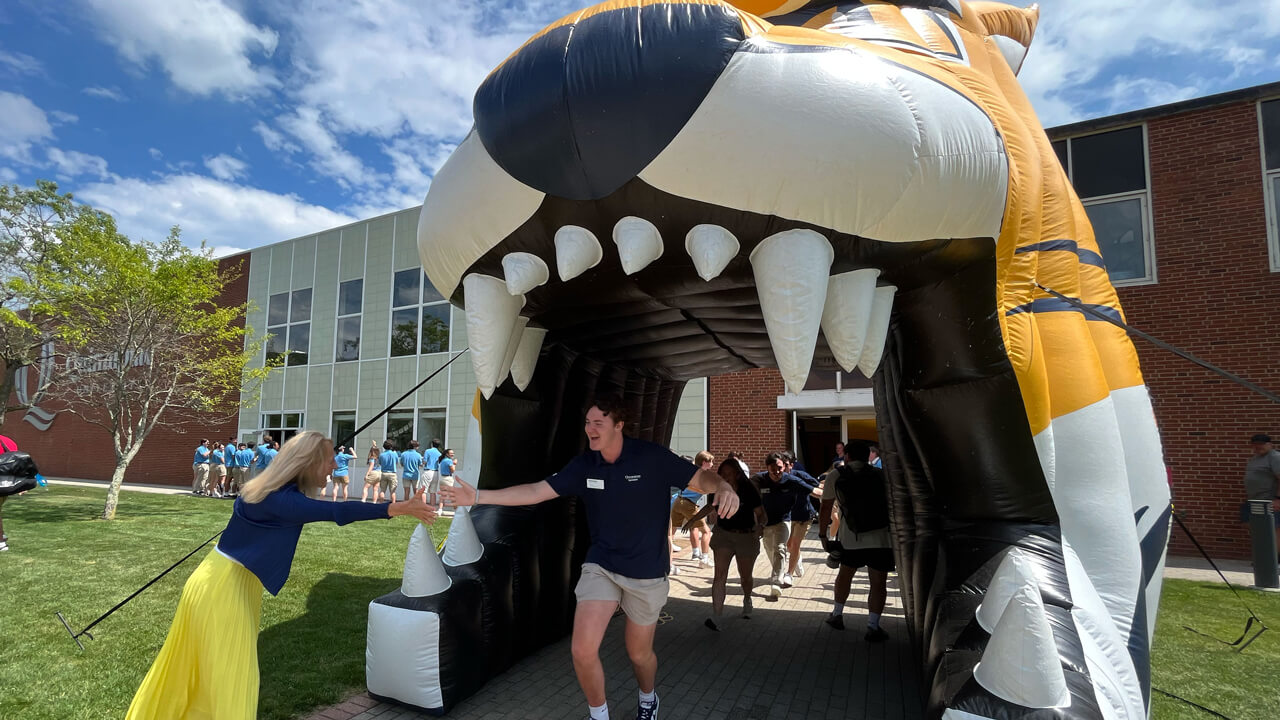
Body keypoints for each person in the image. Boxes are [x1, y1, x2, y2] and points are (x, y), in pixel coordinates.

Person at [441, 394, 740, 720]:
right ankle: (599, 715)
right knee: (582, 651)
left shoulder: (651, 457)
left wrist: (722, 485)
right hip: (602, 566)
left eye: (599, 422)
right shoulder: (584, 465)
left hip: (646, 572)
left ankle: (648, 697)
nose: (590, 429)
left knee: (639, 654)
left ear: (619, 425)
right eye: (588, 422)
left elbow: (700, 478)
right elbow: (536, 491)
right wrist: (479, 495)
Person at [124, 431, 438, 719]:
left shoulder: (272, 490)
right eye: (329, 461)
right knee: (232, 675)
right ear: (309, 463)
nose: (333, 467)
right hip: (224, 588)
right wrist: (396, 508)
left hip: (219, 579)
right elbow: (336, 512)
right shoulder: (282, 501)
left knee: (206, 670)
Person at [819, 442, 894, 642]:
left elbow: (826, 508)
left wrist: (823, 535)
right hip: (881, 538)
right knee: (878, 583)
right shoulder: (881, 475)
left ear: (847, 456)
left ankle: (837, 615)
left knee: (845, 576)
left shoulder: (837, 475)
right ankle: (873, 626)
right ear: (868, 456)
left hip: (851, 537)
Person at [686, 456, 765, 630]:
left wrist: (761, 526)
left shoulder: (748, 489)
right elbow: (710, 507)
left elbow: (760, 513)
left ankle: (747, 597)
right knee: (720, 575)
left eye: (729, 474)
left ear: (737, 474)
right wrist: (693, 520)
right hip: (724, 535)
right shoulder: (719, 489)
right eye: (723, 474)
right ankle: (717, 616)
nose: (725, 477)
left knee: (746, 577)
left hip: (746, 536)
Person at [754, 452, 817, 596]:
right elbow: (743, 489)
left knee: (781, 548)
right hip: (766, 522)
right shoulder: (759, 479)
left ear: (785, 466)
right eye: (773, 469)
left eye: (780, 468)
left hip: (785, 520)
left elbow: (815, 490)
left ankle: (777, 581)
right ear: (767, 468)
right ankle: (783, 569)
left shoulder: (792, 480)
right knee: (770, 549)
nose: (777, 472)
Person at [669, 451, 715, 573]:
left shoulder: (691, 472)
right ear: (705, 462)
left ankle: (669, 563)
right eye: (711, 462)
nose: (712, 465)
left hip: (678, 502)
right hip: (688, 504)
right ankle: (704, 559)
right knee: (706, 532)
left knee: (670, 534)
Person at [782, 451, 820, 581]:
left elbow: (817, 485)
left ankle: (789, 574)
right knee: (789, 545)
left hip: (804, 515)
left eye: (786, 465)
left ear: (791, 465)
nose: (783, 468)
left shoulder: (800, 475)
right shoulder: (778, 478)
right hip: (789, 516)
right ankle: (797, 558)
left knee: (796, 544)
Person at [1243, 433, 1280, 546]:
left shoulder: (1275, 457)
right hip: (1255, 500)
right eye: (1254, 444)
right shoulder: (1255, 458)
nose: (1257, 446)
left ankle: (1275, 559)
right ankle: (1263, 558)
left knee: (1274, 529)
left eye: (1261, 444)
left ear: (1270, 444)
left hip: (1270, 500)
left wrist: (1278, 499)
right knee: (1255, 527)